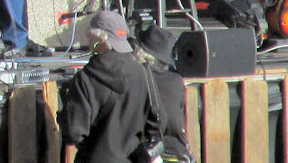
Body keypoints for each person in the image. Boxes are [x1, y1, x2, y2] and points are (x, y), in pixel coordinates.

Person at [58, 11, 160, 163]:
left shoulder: (86, 79)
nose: (87, 38)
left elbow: (74, 133)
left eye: (89, 33)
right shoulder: (142, 71)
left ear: (100, 38)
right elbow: (157, 119)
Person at [134, 24, 195, 163]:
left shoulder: (135, 80)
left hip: (148, 153)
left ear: (140, 51)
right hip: (179, 153)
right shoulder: (176, 81)